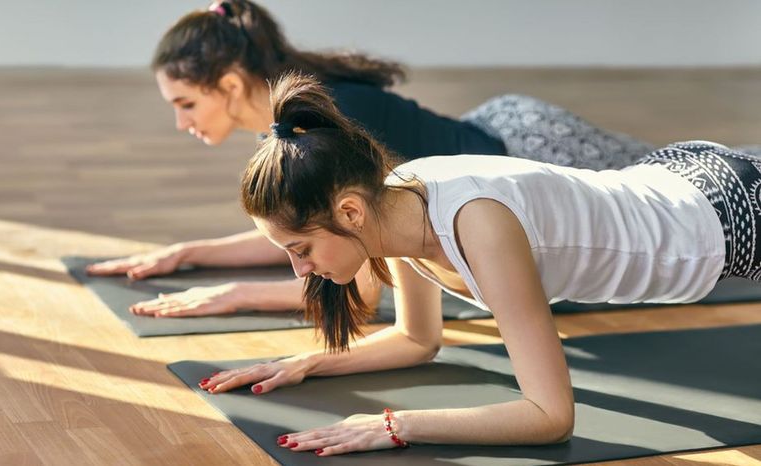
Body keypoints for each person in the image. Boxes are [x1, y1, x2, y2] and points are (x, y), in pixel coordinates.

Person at [195, 73, 759, 455]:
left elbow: (549, 415)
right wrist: (305, 365)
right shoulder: (394, 205)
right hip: (682, 180)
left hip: (731, 221)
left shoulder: (477, 223)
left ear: (348, 210)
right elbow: (417, 339)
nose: (299, 272)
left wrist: (394, 425)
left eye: (301, 250)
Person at [86, 0, 675, 318]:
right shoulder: (295, 121)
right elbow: (307, 231)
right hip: (504, 141)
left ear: (232, 85)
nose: (181, 121)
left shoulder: (325, 122)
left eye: (187, 102)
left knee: (681, 180)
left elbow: (367, 282)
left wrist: (236, 292)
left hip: (531, 147)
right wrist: (191, 254)